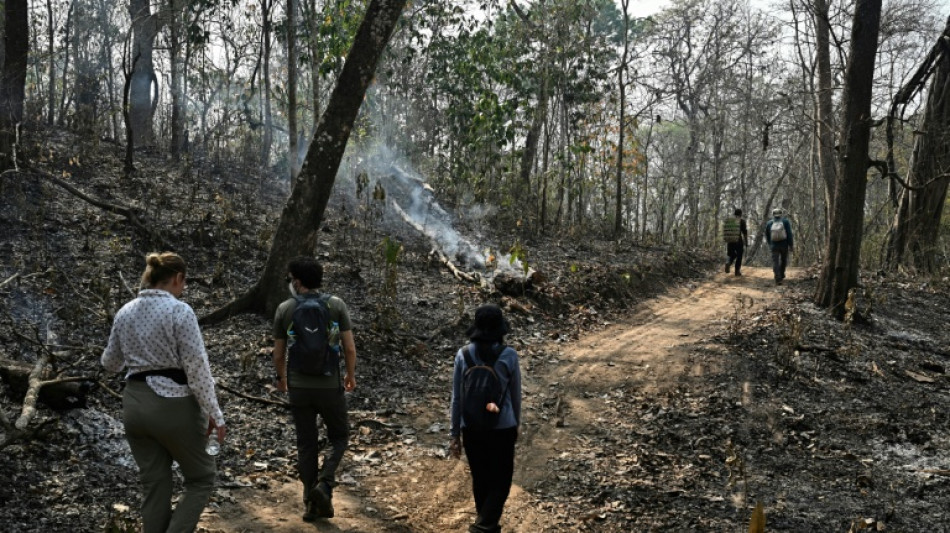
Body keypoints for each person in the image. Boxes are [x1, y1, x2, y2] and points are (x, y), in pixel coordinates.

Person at [101, 252, 226, 533]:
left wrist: (137, 355)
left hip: (134, 404)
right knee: (201, 478)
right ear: (178, 278)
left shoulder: (125, 311)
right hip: (173, 405)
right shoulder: (179, 311)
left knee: (155, 484)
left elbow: (109, 364)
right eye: (184, 282)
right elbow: (196, 368)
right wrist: (215, 413)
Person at [272, 256, 357, 521]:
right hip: (330, 384)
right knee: (340, 437)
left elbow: (278, 353)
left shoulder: (285, 309)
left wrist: (282, 378)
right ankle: (325, 484)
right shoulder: (336, 305)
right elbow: (349, 347)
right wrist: (350, 375)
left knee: (306, 445)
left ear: (297, 282)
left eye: (291, 279)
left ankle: (311, 503)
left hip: (299, 386)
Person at [449, 304, 522, 533]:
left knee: (481, 480)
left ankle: (486, 526)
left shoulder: (463, 355)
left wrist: (454, 433)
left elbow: (457, 398)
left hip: (472, 428)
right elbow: (515, 395)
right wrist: (516, 423)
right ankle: (482, 528)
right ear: (500, 330)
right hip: (502, 428)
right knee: (500, 482)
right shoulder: (509, 355)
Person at [764, 208, 794, 285]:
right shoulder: (785, 221)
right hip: (784, 245)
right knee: (783, 260)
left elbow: (767, 235)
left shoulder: (769, 223)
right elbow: (789, 234)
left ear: (773, 214)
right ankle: (782, 273)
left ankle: (778, 278)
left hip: (774, 245)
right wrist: (791, 245)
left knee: (775, 261)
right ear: (781, 214)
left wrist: (770, 243)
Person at [723, 208, 748, 276]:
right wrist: (746, 242)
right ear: (740, 214)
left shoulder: (729, 220)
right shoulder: (742, 221)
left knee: (731, 254)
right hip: (738, 241)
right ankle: (737, 271)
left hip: (730, 241)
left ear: (734, 213)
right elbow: (745, 232)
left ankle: (728, 262)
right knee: (739, 255)